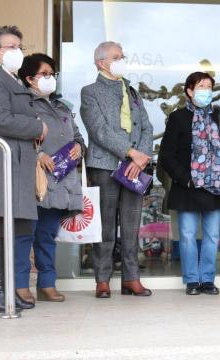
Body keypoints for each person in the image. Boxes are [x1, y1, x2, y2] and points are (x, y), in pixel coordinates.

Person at [0, 25, 48, 312]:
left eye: (20, 46)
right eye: (11, 47)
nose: (18, 52)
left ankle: (0, 290)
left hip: (15, 163)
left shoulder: (9, 80)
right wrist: (38, 126)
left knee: (11, 229)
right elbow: (0, 119)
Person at [158, 72, 220, 295]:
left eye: (209, 86)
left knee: (213, 236)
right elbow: (167, 156)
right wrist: (186, 179)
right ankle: (192, 281)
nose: (206, 90)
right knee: (187, 236)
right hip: (188, 187)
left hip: (215, 187)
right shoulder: (178, 118)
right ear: (189, 90)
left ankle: (207, 279)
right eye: (201, 86)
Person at [80, 41, 154, 298]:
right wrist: (130, 153)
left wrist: (139, 159)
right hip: (105, 165)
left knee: (132, 225)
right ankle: (102, 279)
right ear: (101, 62)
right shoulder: (89, 92)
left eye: (122, 56)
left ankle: (131, 278)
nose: (121, 60)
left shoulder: (132, 92)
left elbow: (146, 127)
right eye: (116, 57)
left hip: (134, 167)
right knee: (106, 226)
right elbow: (99, 130)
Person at [15, 53, 85, 302]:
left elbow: (76, 136)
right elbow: (19, 136)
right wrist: (38, 154)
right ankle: (20, 285)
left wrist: (79, 146)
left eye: (52, 74)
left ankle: (47, 284)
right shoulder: (23, 105)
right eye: (44, 74)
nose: (50, 78)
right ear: (29, 78)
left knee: (46, 236)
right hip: (34, 181)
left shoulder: (62, 106)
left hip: (61, 180)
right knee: (25, 235)